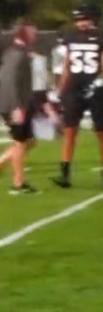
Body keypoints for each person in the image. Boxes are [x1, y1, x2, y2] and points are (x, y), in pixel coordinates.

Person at [52, 5, 103, 188]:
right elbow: (66, 67)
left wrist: (98, 83)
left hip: (94, 89)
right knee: (69, 131)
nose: (81, 23)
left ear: (92, 19)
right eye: (78, 19)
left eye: (84, 19)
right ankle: (64, 173)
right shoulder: (70, 37)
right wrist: (60, 91)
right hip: (73, 88)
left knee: (101, 131)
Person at [0, 20, 38, 194]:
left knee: (29, 142)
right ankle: (18, 184)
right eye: (32, 32)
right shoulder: (17, 54)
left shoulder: (16, 52)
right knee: (21, 143)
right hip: (14, 105)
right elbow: (10, 81)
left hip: (18, 103)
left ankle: (2, 161)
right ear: (24, 34)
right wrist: (17, 107)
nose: (35, 35)